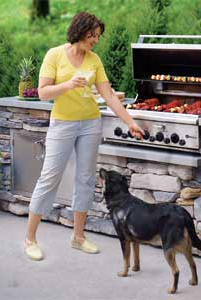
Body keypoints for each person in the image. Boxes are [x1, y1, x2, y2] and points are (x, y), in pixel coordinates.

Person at [24, 12, 143, 261]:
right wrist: (69, 84)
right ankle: (30, 239)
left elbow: (109, 95)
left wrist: (130, 122)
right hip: (63, 124)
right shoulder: (54, 55)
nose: (95, 40)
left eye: (98, 36)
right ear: (79, 31)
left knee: (86, 179)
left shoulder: (94, 59)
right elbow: (43, 93)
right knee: (49, 178)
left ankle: (78, 238)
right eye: (92, 35)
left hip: (90, 123)